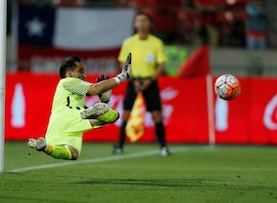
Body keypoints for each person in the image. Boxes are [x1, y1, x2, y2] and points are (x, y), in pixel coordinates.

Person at [28, 54, 132, 160]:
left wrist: (104, 100)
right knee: (114, 116)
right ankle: (100, 110)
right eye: (80, 71)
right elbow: (95, 89)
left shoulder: (71, 93)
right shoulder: (68, 81)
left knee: (73, 154)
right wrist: (123, 76)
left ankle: (44, 147)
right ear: (69, 73)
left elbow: (90, 102)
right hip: (72, 116)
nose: (84, 75)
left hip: (58, 124)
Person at [112, 12, 170, 156]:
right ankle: (119, 145)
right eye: (139, 20)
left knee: (157, 115)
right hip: (133, 81)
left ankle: (163, 146)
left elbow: (161, 64)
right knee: (125, 114)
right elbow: (122, 62)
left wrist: (149, 80)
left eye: (144, 20)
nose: (142, 23)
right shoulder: (128, 42)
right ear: (135, 24)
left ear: (149, 24)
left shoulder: (156, 43)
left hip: (150, 81)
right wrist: (132, 79)